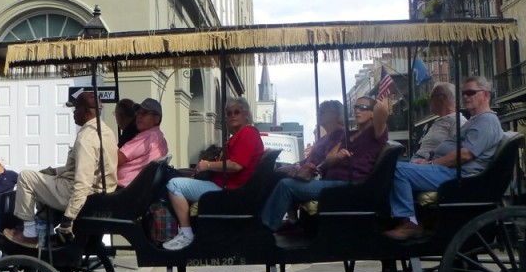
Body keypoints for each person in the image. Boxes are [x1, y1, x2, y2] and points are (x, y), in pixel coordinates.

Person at [385, 76, 504, 240]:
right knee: (395, 168)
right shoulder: (475, 120)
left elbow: (466, 154)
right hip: (448, 170)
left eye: (470, 92)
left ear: (486, 95)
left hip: (459, 176)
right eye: (463, 93)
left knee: (397, 170)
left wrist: (431, 164)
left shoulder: (487, 121)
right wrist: (427, 163)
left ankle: (409, 222)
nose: (465, 97)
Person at [4, 91, 118, 247]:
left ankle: (29, 235)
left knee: (25, 177)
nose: (73, 113)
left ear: (85, 110)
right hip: (100, 193)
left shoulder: (86, 138)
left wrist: (69, 218)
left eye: (75, 109)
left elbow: (83, 182)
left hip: (84, 195)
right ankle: (48, 234)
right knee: (41, 178)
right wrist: (53, 171)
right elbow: (81, 168)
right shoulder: (107, 131)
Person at [259, 95, 389, 232]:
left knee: (285, 185)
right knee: (279, 177)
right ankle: (288, 223)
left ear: (372, 112)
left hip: (348, 184)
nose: (357, 111)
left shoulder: (374, 133)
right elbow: (330, 159)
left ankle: (264, 230)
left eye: (363, 108)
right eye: (356, 107)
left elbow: (381, 116)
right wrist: (338, 156)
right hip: (333, 180)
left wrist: (382, 102)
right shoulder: (350, 135)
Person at [162, 96, 264, 251]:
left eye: (236, 112)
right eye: (228, 113)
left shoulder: (247, 133)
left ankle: (186, 234)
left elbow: (236, 165)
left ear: (246, 115)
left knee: (173, 184)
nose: (232, 116)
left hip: (229, 190)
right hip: (226, 186)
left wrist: (208, 165)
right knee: (178, 178)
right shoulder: (239, 136)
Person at [117, 98, 169, 187]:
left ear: (156, 119)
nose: (139, 117)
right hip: (139, 188)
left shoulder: (147, 137)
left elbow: (117, 158)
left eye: (144, 113)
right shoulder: (160, 138)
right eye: (137, 113)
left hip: (126, 189)